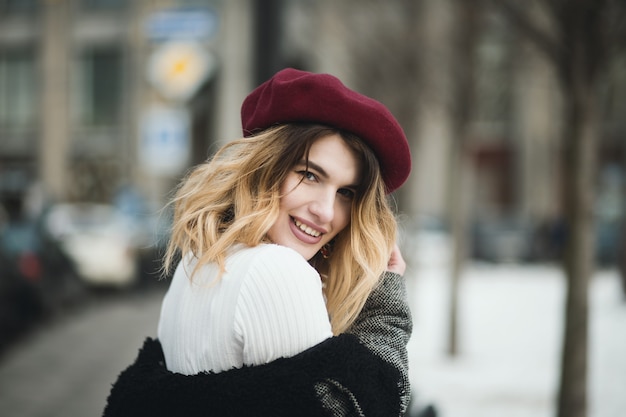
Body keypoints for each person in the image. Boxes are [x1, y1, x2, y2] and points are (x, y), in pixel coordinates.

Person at [103, 68, 413, 417]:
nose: (325, 212)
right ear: (265, 167)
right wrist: (385, 316)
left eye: (346, 193)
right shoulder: (278, 271)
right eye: (309, 175)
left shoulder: (196, 264)